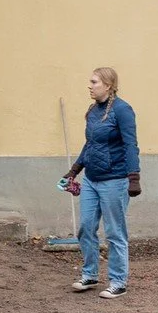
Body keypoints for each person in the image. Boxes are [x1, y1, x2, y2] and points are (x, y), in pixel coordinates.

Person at [62, 68, 141, 299]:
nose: (90, 85)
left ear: (108, 85)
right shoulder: (93, 111)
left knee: (115, 232)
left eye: (94, 82)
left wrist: (133, 177)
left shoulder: (122, 110)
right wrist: (74, 171)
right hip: (91, 180)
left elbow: (130, 145)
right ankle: (90, 275)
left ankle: (118, 281)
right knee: (86, 227)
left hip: (115, 180)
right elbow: (91, 145)